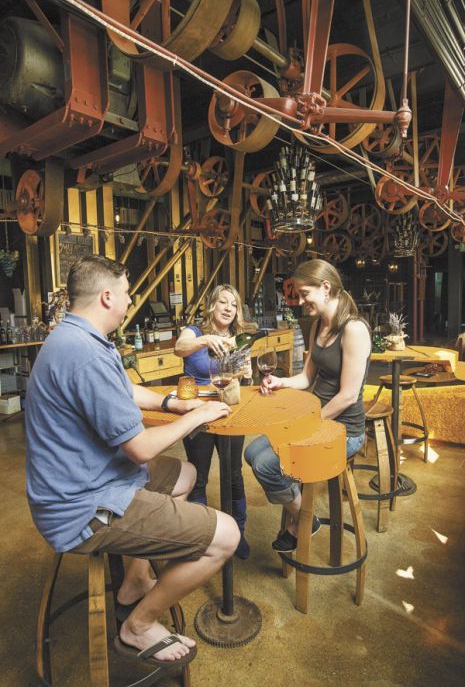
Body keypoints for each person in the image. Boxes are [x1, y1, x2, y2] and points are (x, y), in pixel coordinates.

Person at [25, 255, 240, 671]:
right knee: (225, 536)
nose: (129, 301)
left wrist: (172, 403)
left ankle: (136, 579)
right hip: (84, 509)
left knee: (188, 473)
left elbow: (125, 387)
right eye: (126, 293)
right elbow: (140, 448)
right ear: (107, 296)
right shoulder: (83, 354)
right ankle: (139, 626)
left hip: (90, 482)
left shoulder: (78, 338)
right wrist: (197, 416)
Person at [245, 259, 371, 552]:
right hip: (316, 420)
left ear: (325, 288)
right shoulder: (317, 326)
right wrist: (281, 382)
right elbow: (306, 377)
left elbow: (348, 396)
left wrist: (307, 423)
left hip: (345, 430)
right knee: (252, 452)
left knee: (265, 464)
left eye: (304, 294)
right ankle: (302, 513)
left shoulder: (354, 330)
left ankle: (303, 517)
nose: (300, 301)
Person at [174, 284, 252, 559]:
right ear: (212, 305)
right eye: (223, 302)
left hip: (229, 412)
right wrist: (206, 340)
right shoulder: (194, 332)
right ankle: (200, 538)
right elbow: (179, 348)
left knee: (233, 474)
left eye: (234, 304)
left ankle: (238, 535)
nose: (229, 307)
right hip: (198, 413)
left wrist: (246, 370)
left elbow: (244, 378)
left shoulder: (238, 339)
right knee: (198, 476)